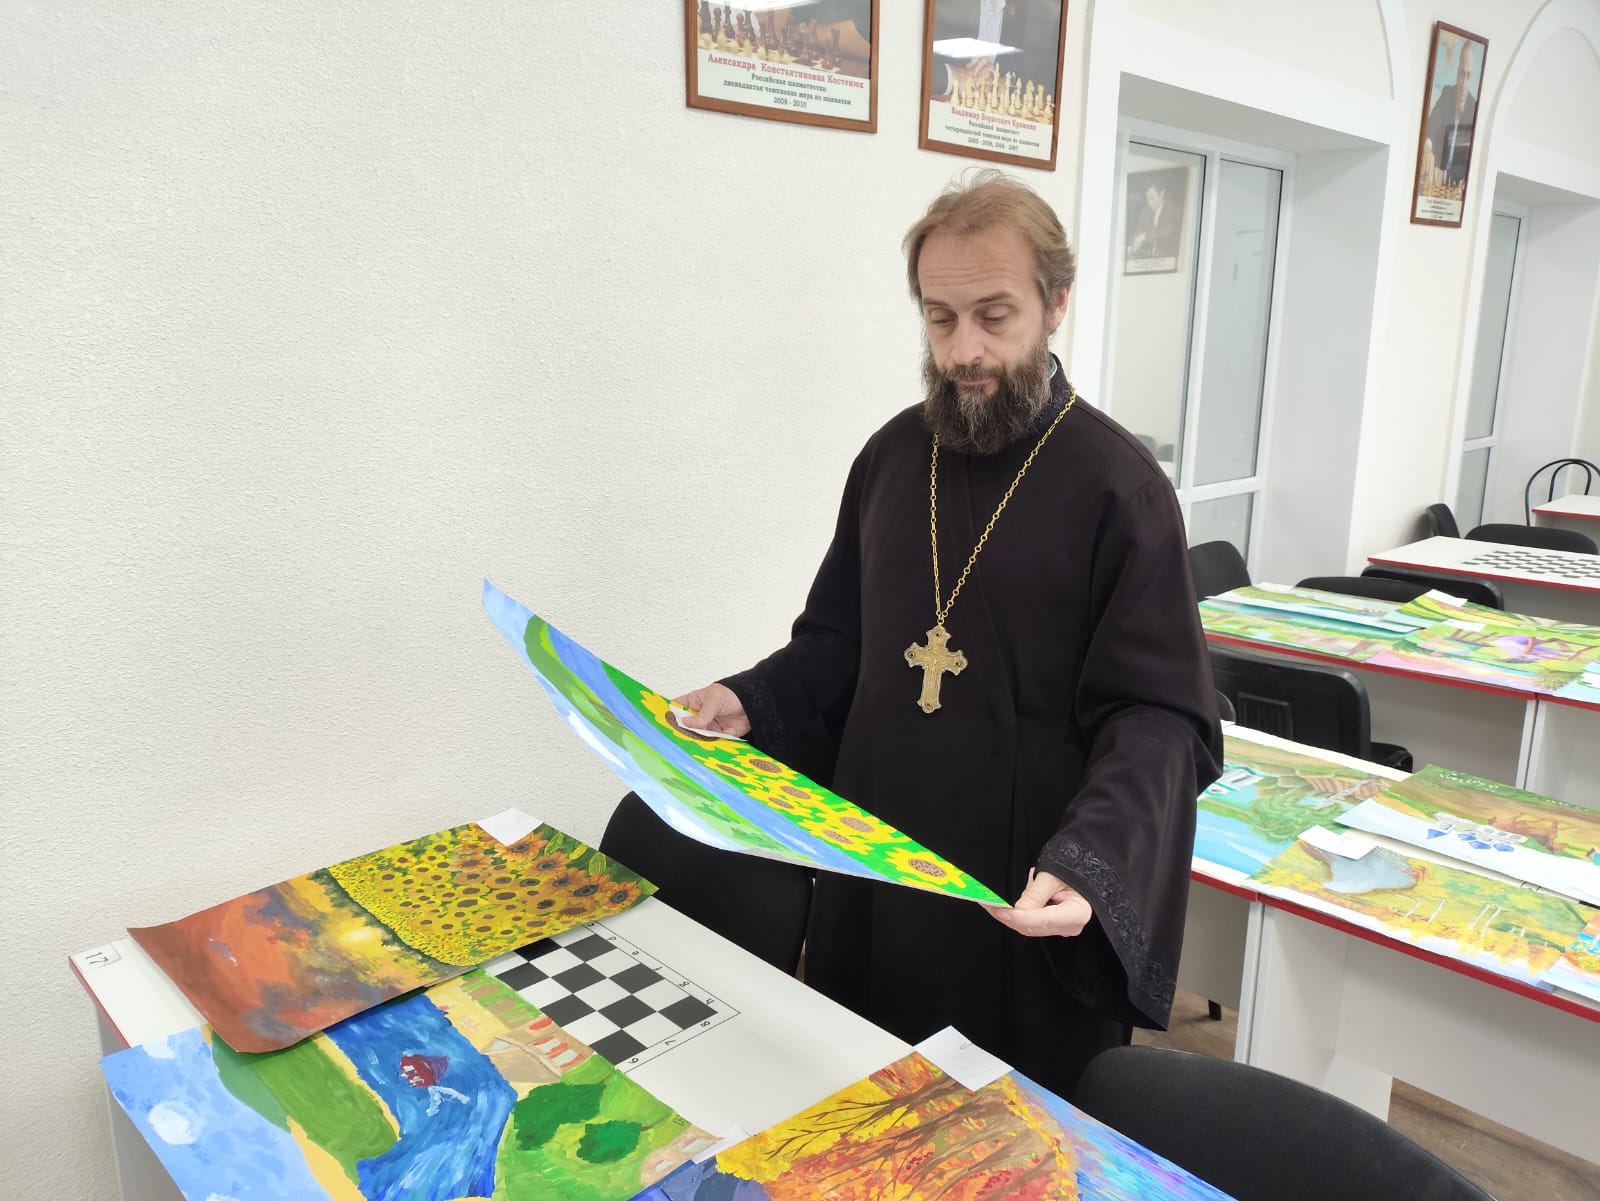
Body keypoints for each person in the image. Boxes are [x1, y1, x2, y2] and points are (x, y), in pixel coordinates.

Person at [677, 170, 1222, 1101]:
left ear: (1056, 303)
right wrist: (749, 698)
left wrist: (1092, 858)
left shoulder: (1120, 489)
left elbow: (1159, 716)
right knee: (855, 1112)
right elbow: (838, 644)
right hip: (874, 872)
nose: (965, 350)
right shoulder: (892, 458)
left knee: (1006, 1142)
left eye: (994, 317)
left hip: (1017, 896)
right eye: (940, 319)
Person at [1423, 44, 1479, 191]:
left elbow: (1466, 162)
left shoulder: (1474, 109)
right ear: (1457, 73)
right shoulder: (1447, 94)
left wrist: (1444, 176)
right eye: (1462, 74)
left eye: (1468, 76)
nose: (1464, 84)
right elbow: (1432, 124)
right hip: (1432, 176)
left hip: (1452, 184)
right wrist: (1428, 147)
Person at [1128, 181, 1180, 259]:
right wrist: (1132, 245)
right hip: (1150, 259)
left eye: (1152, 197)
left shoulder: (1174, 209)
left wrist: (1145, 236)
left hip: (1169, 257)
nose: (1149, 203)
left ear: (1161, 194)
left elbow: (1168, 229)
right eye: (1147, 198)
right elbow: (1138, 231)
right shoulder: (1145, 211)